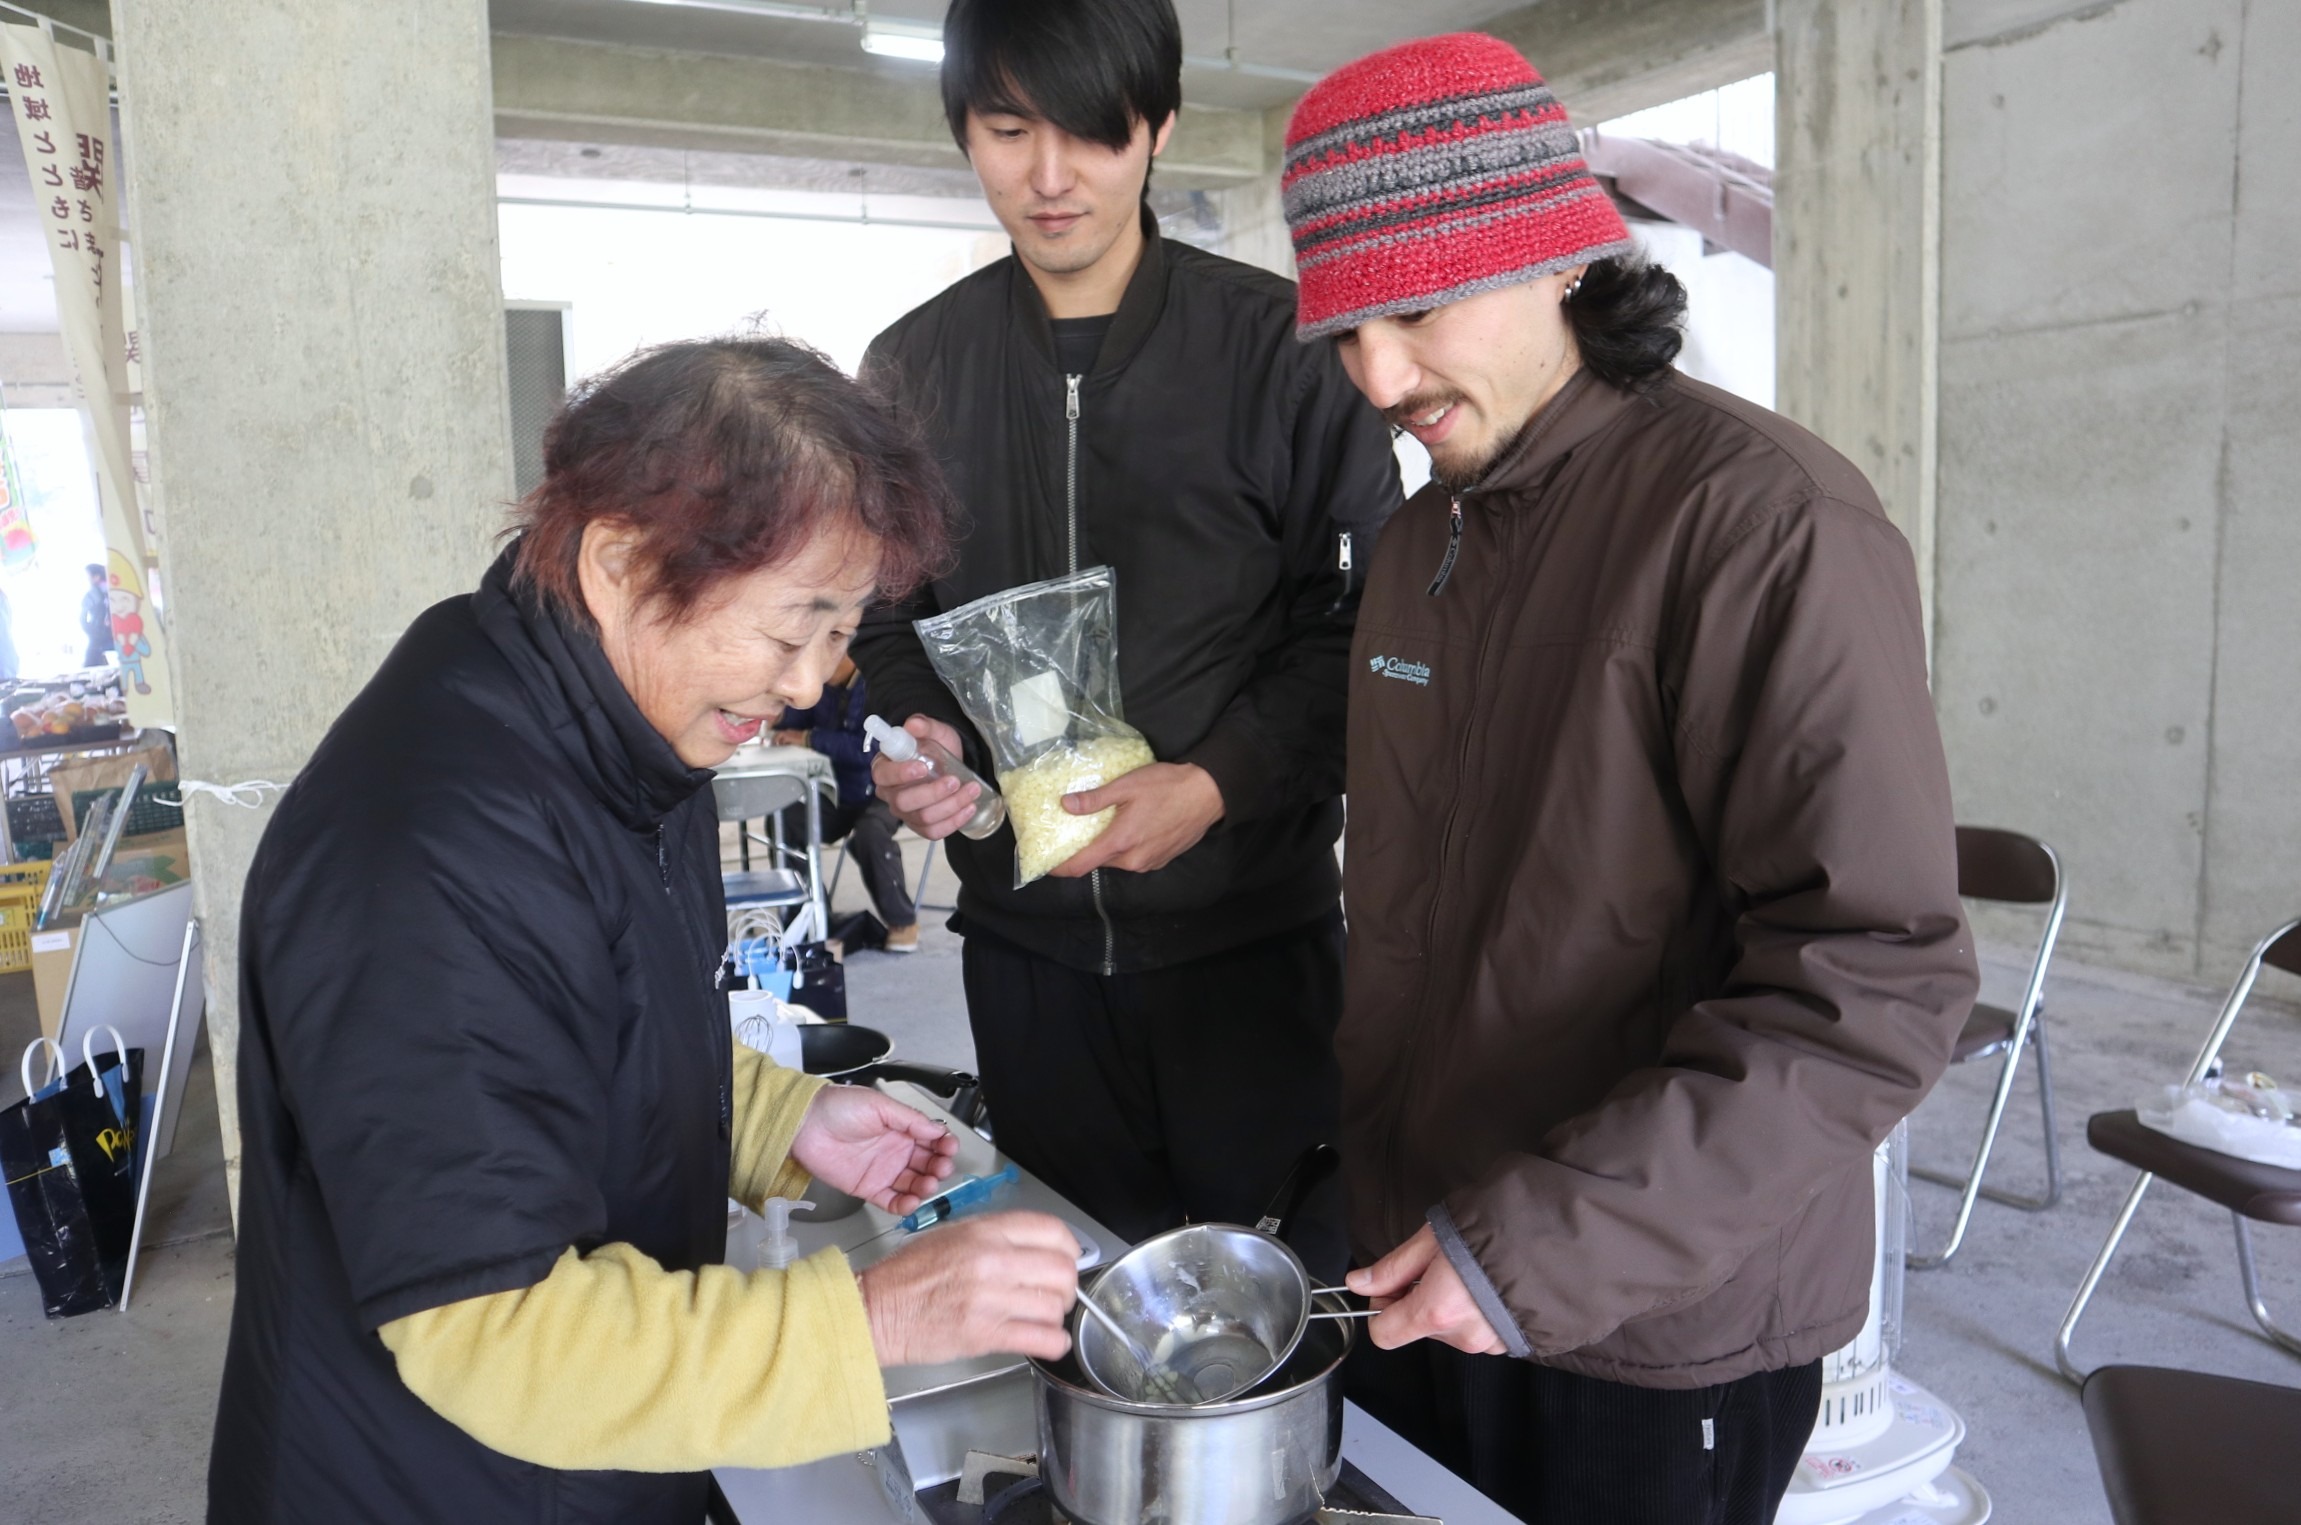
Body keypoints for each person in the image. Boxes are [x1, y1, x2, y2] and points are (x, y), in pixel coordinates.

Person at [1279, 35, 1980, 1525]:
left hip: (1649, 1320)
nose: (1378, 376)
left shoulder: (1760, 525)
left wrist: (1542, 1244)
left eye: (1414, 310)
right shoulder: (1421, 543)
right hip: (1414, 1261)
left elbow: (1875, 982)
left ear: (1553, 261)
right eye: (1342, 330)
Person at [208, 339, 1084, 1525]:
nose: (816, 684)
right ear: (620, 560)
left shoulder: (609, 729)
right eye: (791, 631)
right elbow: (492, 1330)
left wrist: (785, 1116)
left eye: (841, 630)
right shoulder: (430, 849)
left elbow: (580, 1020)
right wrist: (872, 1318)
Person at [854, 0, 1400, 1277]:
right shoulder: (911, 371)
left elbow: (1371, 617)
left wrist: (1219, 784)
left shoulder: (1285, 351)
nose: (1049, 177)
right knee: (1078, 1304)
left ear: (1155, 129)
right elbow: (882, 613)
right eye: (1007, 130)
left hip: (1252, 952)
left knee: (1277, 1312)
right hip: (1026, 956)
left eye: (1093, 133)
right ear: (964, 136)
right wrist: (914, 724)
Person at [770, 654, 922, 951]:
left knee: (871, 833)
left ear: (849, 653)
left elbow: (868, 751)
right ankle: (812, 918)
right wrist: (779, 715)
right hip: (838, 793)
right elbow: (795, 723)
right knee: (787, 821)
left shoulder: (877, 686)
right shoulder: (821, 687)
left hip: (880, 791)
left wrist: (809, 738)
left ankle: (902, 921)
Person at [78, 561, 110, 667]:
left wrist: (91, 631)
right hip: (115, 634)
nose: (87, 579)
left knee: (89, 663)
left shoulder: (92, 595)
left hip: (98, 636)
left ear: (96, 577)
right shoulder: (113, 590)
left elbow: (82, 618)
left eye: (88, 576)